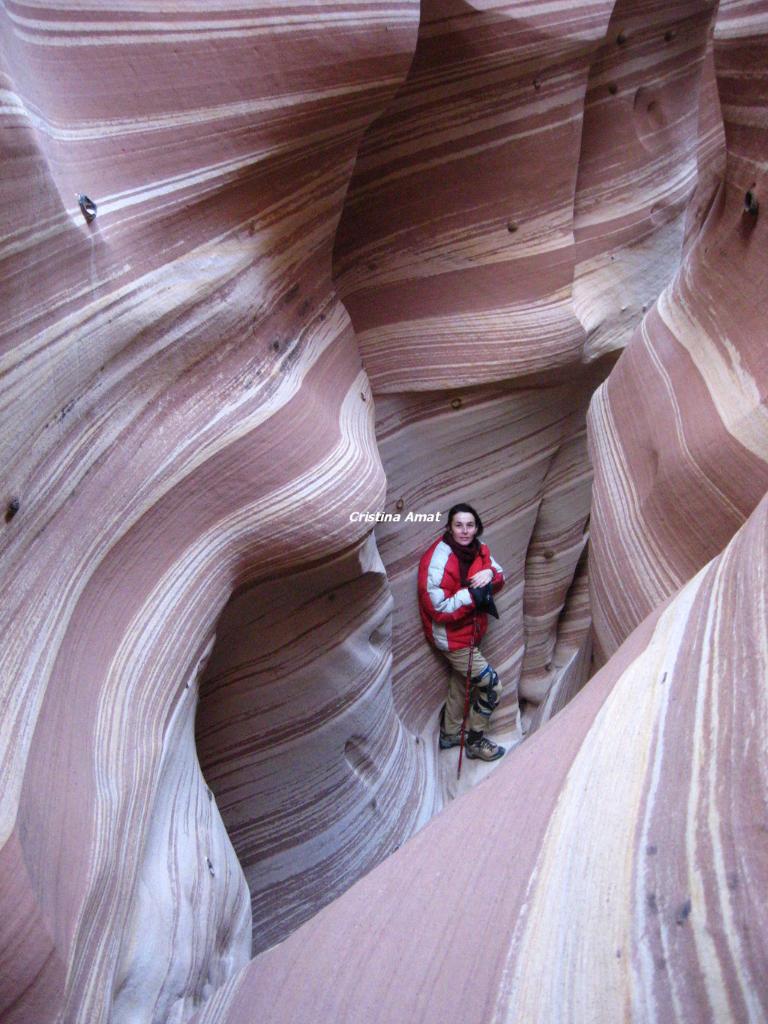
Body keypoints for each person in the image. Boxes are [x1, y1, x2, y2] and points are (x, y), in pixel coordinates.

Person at [417, 503, 506, 762]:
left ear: (476, 527)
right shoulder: (439, 560)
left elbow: (500, 574)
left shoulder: (479, 550)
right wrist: (474, 594)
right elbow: (438, 607)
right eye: (459, 525)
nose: (465, 531)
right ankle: (475, 741)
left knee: (462, 683)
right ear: (449, 528)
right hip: (452, 639)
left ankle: (451, 734)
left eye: (470, 525)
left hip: (472, 633)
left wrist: (489, 573)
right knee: (492, 687)